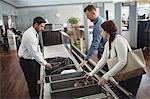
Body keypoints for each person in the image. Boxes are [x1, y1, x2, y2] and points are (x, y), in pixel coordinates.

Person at [87, 20, 142, 96]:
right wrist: (92, 73)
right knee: (123, 94)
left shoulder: (118, 40)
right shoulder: (108, 43)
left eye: (102, 31)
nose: (101, 33)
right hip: (123, 72)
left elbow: (122, 61)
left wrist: (106, 76)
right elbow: (103, 60)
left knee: (128, 95)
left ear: (107, 31)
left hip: (132, 73)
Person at [18, 16, 52, 99]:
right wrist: (45, 63)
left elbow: (37, 48)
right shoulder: (29, 35)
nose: (42, 28)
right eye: (41, 26)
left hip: (31, 60)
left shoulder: (33, 32)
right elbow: (35, 53)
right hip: (27, 62)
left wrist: (42, 59)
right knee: (31, 82)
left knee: (35, 79)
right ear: (36, 24)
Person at [80, 5, 107, 70]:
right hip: (105, 51)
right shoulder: (101, 20)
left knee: (105, 72)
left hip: (104, 53)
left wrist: (86, 59)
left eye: (88, 15)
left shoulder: (98, 25)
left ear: (93, 13)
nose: (87, 18)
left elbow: (95, 44)